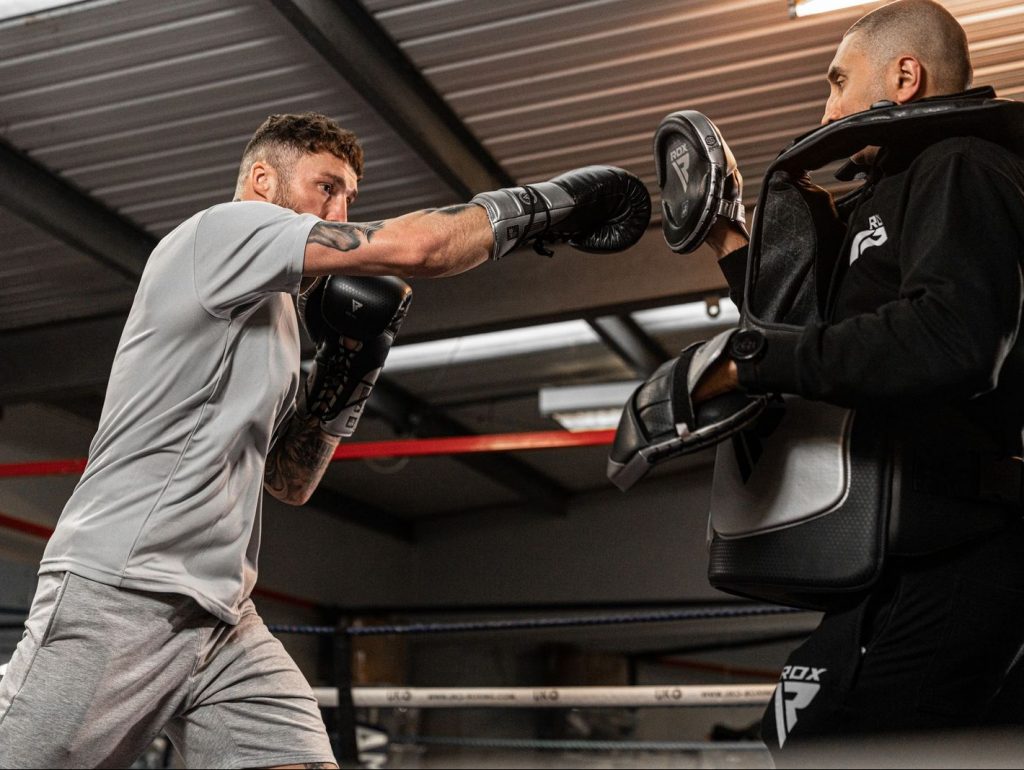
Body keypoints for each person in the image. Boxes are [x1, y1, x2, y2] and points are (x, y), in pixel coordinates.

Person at [0, 112, 650, 768]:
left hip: (221, 616)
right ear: (263, 180)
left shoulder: (275, 313)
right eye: (326, 188)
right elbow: (420, 249)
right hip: (123, 588)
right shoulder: (223, 231)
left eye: (349, 199)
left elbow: (289, 480)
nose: (339, 211)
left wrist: (347, 372)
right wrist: (550, 207)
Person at [692, 0, 1024, 759]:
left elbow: (952, 339)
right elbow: (830, 336)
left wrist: (750, 359)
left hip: (963, 546)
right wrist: (728, 238)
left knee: (830, 747)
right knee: (794, 735)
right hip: (896, 551)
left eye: (838, 81)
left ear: (905, 78)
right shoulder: (884, 198)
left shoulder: (960, 164)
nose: (828, 110)